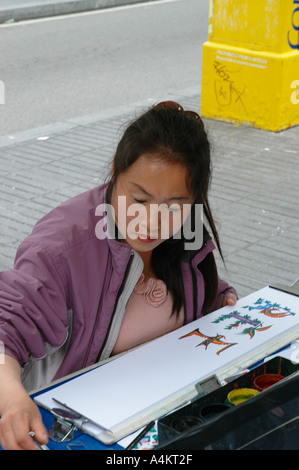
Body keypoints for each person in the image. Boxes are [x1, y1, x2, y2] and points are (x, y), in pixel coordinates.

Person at [0, 101, 237, 450]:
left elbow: (196, 288)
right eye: (139, 200)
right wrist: (11, 399)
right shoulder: (61, 248)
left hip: (158, 422)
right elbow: (8, 327)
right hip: (72, 434)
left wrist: (222, 299)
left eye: (174, 205)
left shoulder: (187, 234)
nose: (152, 222)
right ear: (115, 171)